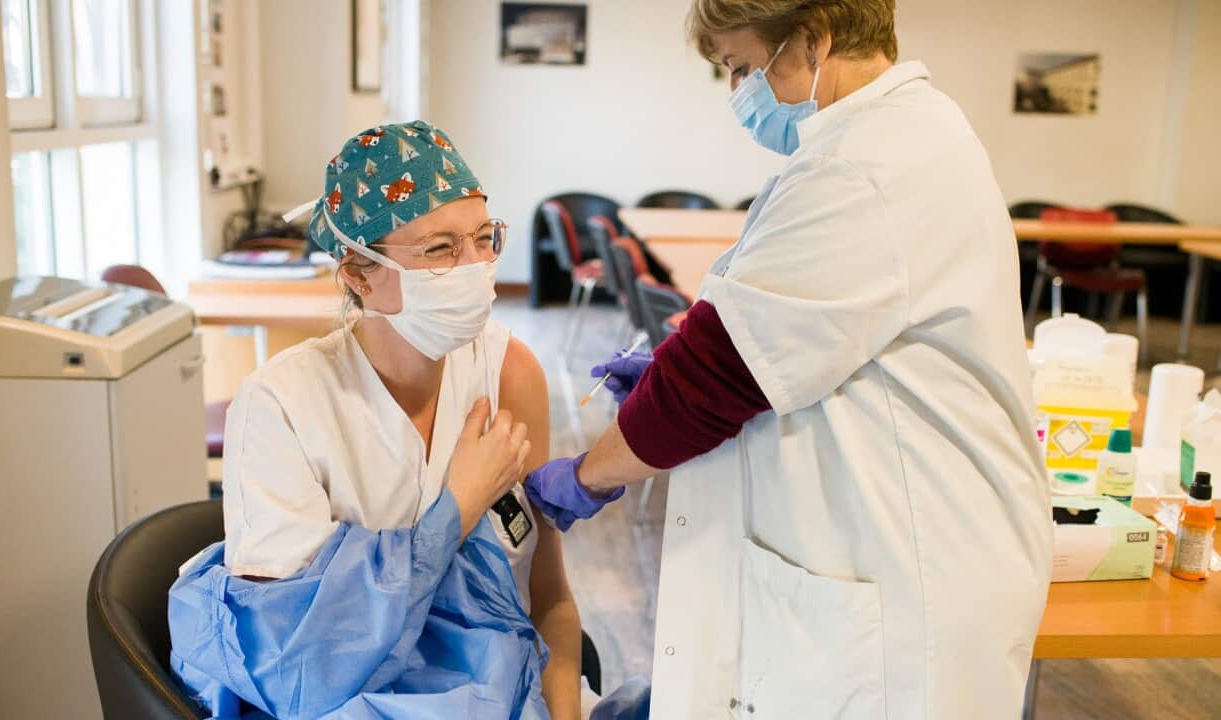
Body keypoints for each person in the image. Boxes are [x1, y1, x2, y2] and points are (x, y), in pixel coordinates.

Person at [524, 1, 1052, 718]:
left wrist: (586, 477)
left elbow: (708, 384)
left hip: (903, 588)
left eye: (742, 67)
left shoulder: (864, 169)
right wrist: (680, 366)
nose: (738, 92)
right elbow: (782, 339)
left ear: (811, 39)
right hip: (893, 549)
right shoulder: (895, 138)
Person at [168, 122, 586, 719]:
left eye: (484, 238)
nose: (475, 267)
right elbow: (304, 669)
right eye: (441, 249)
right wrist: (460, 506)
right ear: (359, 274)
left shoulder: (508, 372)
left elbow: (550, 603)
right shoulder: (281, 406)